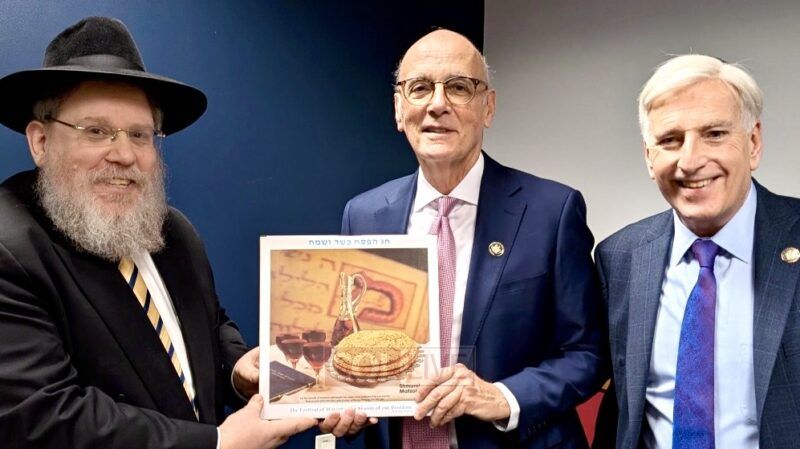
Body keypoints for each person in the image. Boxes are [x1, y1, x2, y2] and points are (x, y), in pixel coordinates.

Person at [0, 16, 318, 449]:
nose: (124, 154)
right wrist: (219, 443)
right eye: (96, 132)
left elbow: (209, 326)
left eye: (140, 134)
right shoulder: (9, 247)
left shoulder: (173, 231)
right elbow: (43, 416)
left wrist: (237, 370)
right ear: (40, 142)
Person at [336, 29, 605, 449]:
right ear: (398, 108)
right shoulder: (363, 215)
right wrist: (342, 400)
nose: (437, 104)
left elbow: (587, 352)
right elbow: (353, 337)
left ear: (488, 107)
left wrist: (503, 397)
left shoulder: (552, 211)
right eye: (419, 88)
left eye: (459, 87)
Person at [593, 54, 800, 448]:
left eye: (715, 134)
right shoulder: (619, 258)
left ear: (753, 143)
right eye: (670, 140)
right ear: (649, 157)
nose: (690, 161)